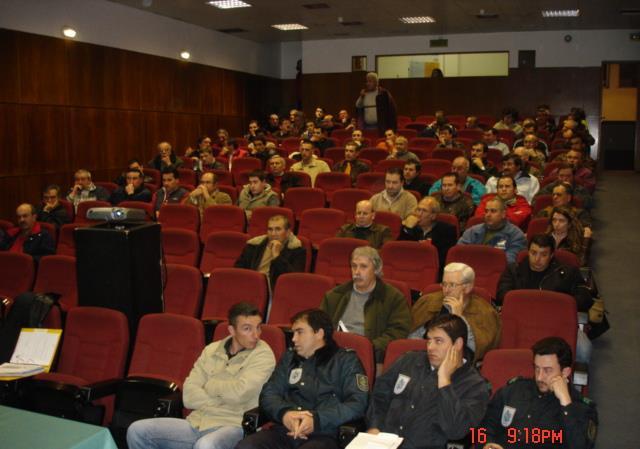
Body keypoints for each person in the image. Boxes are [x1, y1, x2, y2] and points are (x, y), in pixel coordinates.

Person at [127, 302, 276, 449]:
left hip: (233, 425)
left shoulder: (263, 354)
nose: (256, 335)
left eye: (258, 327)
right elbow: (189, 396)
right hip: (197, 422)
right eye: (247, 329)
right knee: (138, 430)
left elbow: (239, 393)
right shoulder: (211, 350)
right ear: (231, 330)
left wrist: (209, 385)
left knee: (205, 445)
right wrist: (220, 400)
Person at [235, 309, 368, 449]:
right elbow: (269, 394)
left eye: (300, 332)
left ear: (319, 333)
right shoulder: (290, 358)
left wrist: (316, 419)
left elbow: (358, 403)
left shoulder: (346, 361)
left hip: (324, 434)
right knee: (247, 446)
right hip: (285, 430)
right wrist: (284, 414)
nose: (293, 339)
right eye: (293, 333)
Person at [366, 314, 490, 449]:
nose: (430, 347)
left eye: (438, 341)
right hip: (383, 443)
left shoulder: (475, 385)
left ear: (458, 344)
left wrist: (444, 380)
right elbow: (379, 395)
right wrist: (374, 426)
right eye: (429, 341)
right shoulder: (408, 360)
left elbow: (456, 430)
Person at [481, 337, 598, 449]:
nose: (540, 377)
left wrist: (566, 404)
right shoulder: (514, 390)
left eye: (547, 370)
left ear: (565, 372)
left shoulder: (581, 408)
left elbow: (580, 445)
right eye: (537, 368)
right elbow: (486, 424)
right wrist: (487, 444)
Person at [320, 246, 410, 363]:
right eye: (354, 266)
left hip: (370, 356)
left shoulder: (393, 298)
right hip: (334, 353)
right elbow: (320, 326)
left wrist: (368, 347)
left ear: (376, 269)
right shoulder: (334, 295)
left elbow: (398, 332)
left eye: (363, 267)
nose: (357, 272)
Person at [409, 263, 501, 361]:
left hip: (459, 363)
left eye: (452, 285)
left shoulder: (485, 312)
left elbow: (476, 351)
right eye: (444, 284)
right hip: (424, 357)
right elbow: (412, 337)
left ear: (468, 287)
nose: (446, 290)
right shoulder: (428, 301)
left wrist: (459, 317)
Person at [496, 234, 594, 311]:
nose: (537, 259)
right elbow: (501, 296)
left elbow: (585, 299)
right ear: (528, 252)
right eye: (533, 253)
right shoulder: (513, 270)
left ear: (551, 255)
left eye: (543, 255)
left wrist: (556, 304)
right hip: (520, 316)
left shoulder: (567, 273)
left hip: (554, 320)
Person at [234, 215, 305, 289]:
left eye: (278, 229)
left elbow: (293, 279)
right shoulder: (254, 246)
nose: (273, 233)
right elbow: (238, 268)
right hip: (251, 284)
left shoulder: (297, 250)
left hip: (276, 289)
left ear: (288, 232)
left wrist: (277, 257)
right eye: (270, 229)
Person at [458, 196, 527, 264]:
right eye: (486, 211)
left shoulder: (516, 235)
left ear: (503, 214)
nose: (488, 214)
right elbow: (459, 252)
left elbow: (509, 261)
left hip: (498, 272)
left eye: (493, 211)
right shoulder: (472, 231)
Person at [398, 196, 457, 274]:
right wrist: (407, 229)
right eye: (418, 210)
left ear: (433, 216)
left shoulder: (447, 230)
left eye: (424, 211)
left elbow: (444, 259)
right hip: (409, 267)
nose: (419, 214)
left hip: (433, 270)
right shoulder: (410, 228)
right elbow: (399, 252)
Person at [355, 72, 397, 136]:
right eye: (367, 81)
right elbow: (357, 106)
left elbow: (392, 110)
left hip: (380, 127)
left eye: (370, 81)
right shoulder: (364, 93)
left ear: (376, 82)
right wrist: (361, 97)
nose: (367, 84)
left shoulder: (383, 93)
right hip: (366, 127)